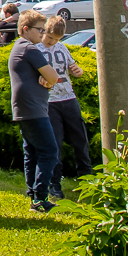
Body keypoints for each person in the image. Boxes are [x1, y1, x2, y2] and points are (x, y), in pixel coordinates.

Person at [9, 10, 59, 212]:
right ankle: (40, 197)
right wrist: (48, 80)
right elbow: (54, 77)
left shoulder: (19, 47)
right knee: (49, 151)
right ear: (25, 29)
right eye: (40, 29)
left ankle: (33, 195)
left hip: (26, 107)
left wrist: (46, 80)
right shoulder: (29, 48)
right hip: (32, 108)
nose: (43, 34)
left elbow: (49, 78)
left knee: (31, 151)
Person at [39, 18, 90, 194]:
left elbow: (73, 66)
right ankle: (55, 183)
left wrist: (78, 71)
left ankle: (86, 178)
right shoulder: (37, 48)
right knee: (55, 143)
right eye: (50, 37)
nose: (52, 42)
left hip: (68, 98)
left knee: (80, 139)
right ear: (44, 30)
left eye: (56, 39)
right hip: (50, 101)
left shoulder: (62, 47)